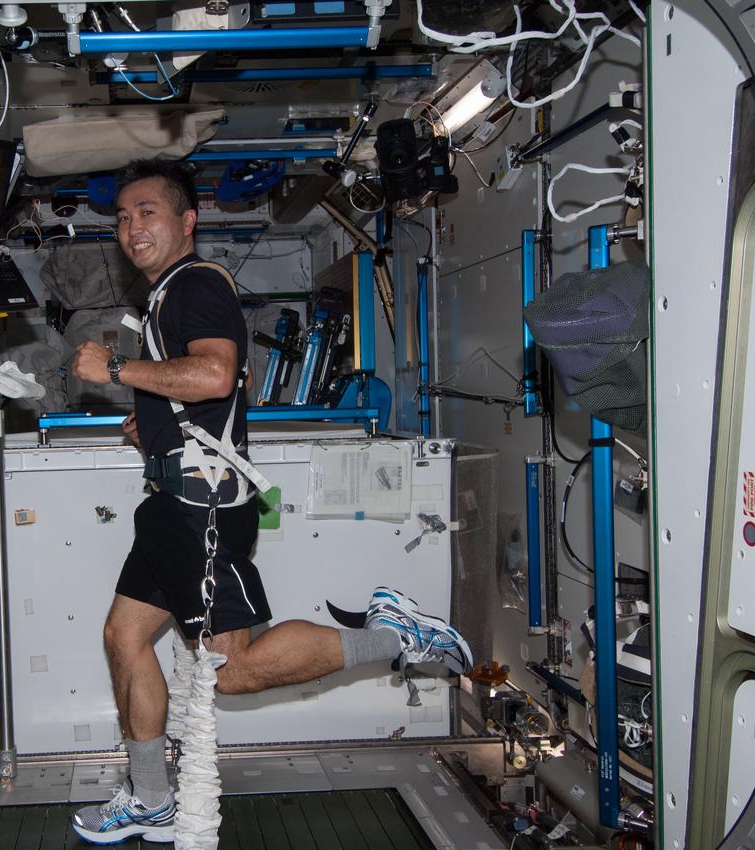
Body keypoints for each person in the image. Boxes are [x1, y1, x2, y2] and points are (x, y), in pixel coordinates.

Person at [68, 159, 472, 845]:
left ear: (186, 221)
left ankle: (396, 635)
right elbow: (202, 390)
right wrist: (157, 431)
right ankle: (154, 801)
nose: (131, 227)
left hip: (202, 511)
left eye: (148, 212)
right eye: (123, 216)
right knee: (124, 636)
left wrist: (110, 368)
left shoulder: (193, 285)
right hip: (175, 501)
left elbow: (215, 372)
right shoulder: (166, 297)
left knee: (234, 668)